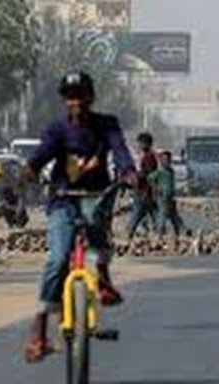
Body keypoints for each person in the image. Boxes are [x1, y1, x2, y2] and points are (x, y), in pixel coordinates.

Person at [21, 71, 137, 363]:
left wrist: (129, 172)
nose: (77, 103)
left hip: (97, 194)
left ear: (91, 97)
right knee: (58, 259)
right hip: (63, 199)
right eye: (71, 98)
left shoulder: (106, 125)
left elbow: (120, 152)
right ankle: (39, 326)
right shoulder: (57, 130)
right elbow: (42, 155)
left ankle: (104, 278)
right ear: (64, 101)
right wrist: (29, 171)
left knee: (101, 239)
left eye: (82, 96)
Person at [126, 132, 157, 238]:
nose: (138, 145)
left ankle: (129, 232)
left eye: (140, 143)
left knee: (137, 212)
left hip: (143, 190)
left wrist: (135, 176)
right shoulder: (147, 156)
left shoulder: (149, 157)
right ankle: (160, 230)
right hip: (144, 189)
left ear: (147, 144)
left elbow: (148, 174)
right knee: (152, 212)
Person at [149, 151, 185, 236]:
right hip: (162, 197)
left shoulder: (171, 171)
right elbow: (150, 179)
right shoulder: (159, 172)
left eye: (168, 160)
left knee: (173, 215)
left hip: (170, 196)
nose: (166, 161)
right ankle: (160, 231)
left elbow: (172, 183)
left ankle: (180, 230)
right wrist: (156, 188)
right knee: (162, 214)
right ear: (161, 161)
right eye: (164, 159)